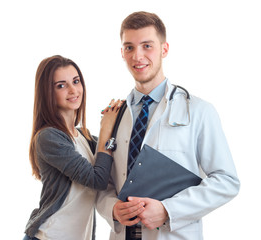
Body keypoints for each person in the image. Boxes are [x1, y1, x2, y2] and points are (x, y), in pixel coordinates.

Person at [96, 11, 240, 240]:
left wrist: (168, 210)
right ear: (121, 53)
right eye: (129, 47)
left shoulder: (199, 111)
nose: (138, 56)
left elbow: (226, 181)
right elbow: (104, 181)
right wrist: (112, 208)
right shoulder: (114, 116)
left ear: (164, 49)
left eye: (147, 46)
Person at [23, 55, 121, 240]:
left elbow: (112, 157)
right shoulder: (48, 137)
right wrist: (106, 128)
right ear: (47, 93)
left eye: (76, 81)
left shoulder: (84, 137)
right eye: (61, 85)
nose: (73, 90)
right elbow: (97, 180)